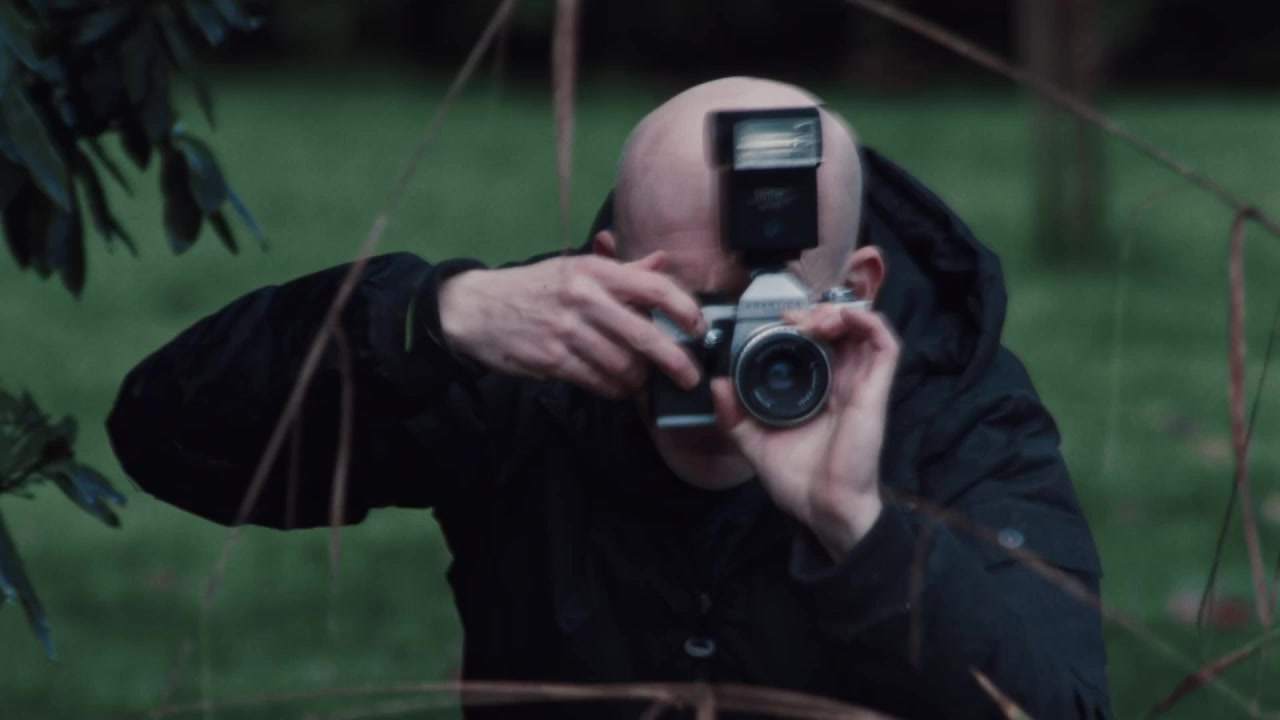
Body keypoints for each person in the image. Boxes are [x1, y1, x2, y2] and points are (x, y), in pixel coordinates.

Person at [106, 77, 1112, 719]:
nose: (723, 356)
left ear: (857, 288)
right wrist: (433, 317)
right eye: (684, 308)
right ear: (608, 263)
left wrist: (859, 529)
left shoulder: (946, 409)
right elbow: (166, 437)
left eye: (766, 316)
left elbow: (1058, 708)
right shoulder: (537, 361)